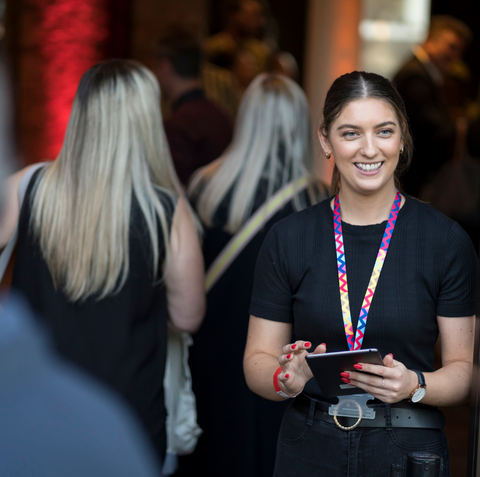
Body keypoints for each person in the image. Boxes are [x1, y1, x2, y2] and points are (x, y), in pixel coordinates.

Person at [244, 71, 477, 476]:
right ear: (325, 140)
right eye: (351, 133)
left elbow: (463, 372)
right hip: (309, 442)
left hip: (406, 444)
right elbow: (257, 360)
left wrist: (415, 385)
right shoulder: (289, 239)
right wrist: (287, 378)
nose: (369, 150)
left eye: (384, 131)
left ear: (402, 137)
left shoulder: (444, 240)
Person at [0, 59, 206, 462]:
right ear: (147, 121)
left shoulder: (27, 186)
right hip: (127, 419)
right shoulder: (166, 209)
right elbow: (186, 317)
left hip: (36, 408)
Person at [178, 73, 327, 477]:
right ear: (300, 124)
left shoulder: (204, 185)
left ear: (245, 120)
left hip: (211, 346)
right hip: (277, 357)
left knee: (213, 452)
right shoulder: (315, 199)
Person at [393, 15, 472, 198]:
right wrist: (462, 130)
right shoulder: (415, 76)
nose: (455, 57)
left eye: (459, 51)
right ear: (430, 40)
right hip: (411, 182)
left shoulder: (420, 72)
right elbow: (432, 131)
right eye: (451, 47)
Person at [155, 26, 234, 187]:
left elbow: (176, 193)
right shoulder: (222, 116)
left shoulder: (176, 127)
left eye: (155, 66)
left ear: (165, 66)